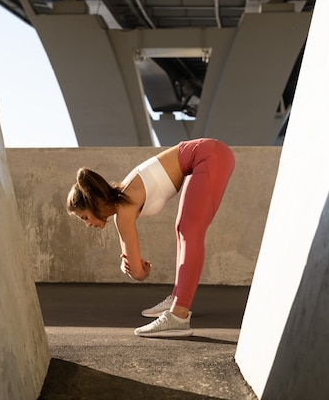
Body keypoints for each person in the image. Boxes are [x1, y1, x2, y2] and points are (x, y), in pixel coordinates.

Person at [66, 138, 235, 337]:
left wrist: (132, 267)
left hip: (209, 155)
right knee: (183, 228)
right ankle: (178, 298)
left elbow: (139, 273)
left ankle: (178, 316)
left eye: (85, 217)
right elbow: (134, 264)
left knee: (190, 230)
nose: (88, 224)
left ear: (95, 203)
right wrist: (132, 264)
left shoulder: (124, 211)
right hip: (206, 154)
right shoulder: (124, 197)